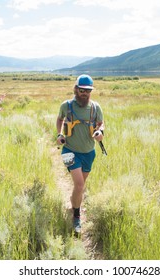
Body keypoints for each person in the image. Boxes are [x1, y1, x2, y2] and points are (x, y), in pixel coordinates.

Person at [56, 74, 104, 234]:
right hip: (69, 151)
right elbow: (59, 119)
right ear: (76, 89)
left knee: (80, 186)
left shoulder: (96, 108)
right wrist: (59, 134)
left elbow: (101, 123)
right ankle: (76, 217)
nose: (84, 93)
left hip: (89, 153)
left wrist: (100, 131)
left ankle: (73, 204)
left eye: (87, 90)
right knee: (79, 185)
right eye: (81, 90)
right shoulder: (67, 105)